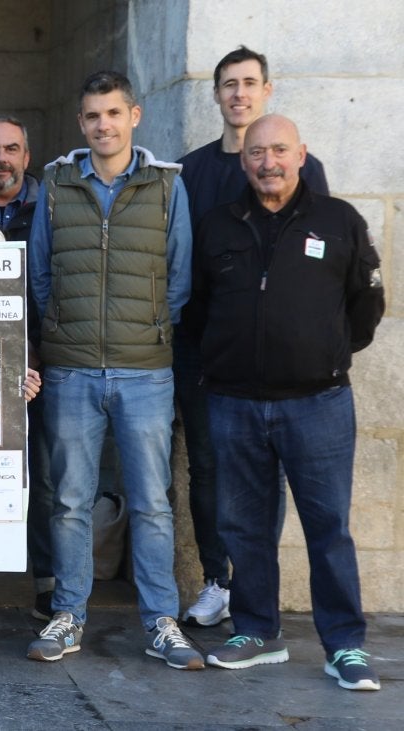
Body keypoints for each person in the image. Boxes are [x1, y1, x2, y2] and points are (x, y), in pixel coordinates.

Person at [188, 115, 384, 690]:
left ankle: (344, 645)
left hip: (317, 403)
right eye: (256, 153)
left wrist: (323, 354)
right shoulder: (219, 225)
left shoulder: (337, 219)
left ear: (302, 154)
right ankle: (255, 631)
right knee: (243, 527)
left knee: (328, 528)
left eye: (278, 150)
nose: (267, 162)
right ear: (243, 161)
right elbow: (197, 309)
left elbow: (365, 305)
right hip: (235, 403)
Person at [26, 71, 202, 670]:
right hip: (72, 372)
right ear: (81, 123)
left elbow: (179, 276)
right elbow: (40, 273)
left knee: (153, 502)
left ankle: (161, 622)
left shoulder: (165, 186)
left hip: (145, 373)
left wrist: (151, 332)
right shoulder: (55, 184)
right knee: (70, 500)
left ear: (134, 117)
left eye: (113, 114)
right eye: (92, 115)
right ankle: (70, 612)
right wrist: (63, 335)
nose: (103, 125)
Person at [174, 46, 331, 628]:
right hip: (204, 349)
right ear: (215, 95)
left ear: (267, 89)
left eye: (248, 83)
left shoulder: (301, 167)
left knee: (274, 471)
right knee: (208, 467)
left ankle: (257, 588)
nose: (238, 94)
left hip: (282, 357)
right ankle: (218, 580)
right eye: (228, 85)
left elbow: (324, 254)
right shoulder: (191, 171)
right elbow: (180, 261)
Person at [0, 114, 54, 623]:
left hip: (41, 365)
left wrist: (40, 352)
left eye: (12, 149)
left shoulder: (52, 208)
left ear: (26, 155)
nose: (1, 159)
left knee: (42, 478)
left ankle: (47, 581)